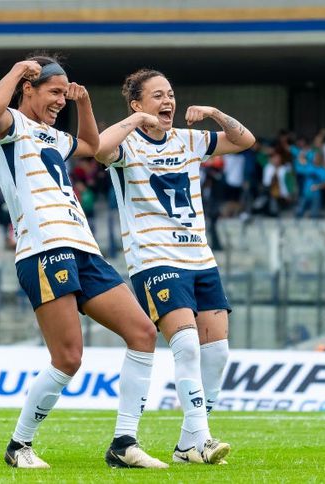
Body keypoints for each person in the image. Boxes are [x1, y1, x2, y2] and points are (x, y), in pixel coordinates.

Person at [0, 55, 165, 470]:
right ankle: (19, 445)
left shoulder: (53, 136)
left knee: (142, 333)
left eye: (63, 94)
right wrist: (18, 68)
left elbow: (93, 146)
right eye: (54, 92)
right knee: (68, 358)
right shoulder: (12, 125)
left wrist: (84, 103)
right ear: (28, 89)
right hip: (45, 249)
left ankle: (124, 443)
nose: (59, 101)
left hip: (84, 248)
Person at [96, 69, 255, 465]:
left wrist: (214, 113)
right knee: (185, 345)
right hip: (154, 259)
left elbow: (245, 140)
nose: (168, 101)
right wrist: (134, 121)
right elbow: (99, 149)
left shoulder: (188, 140)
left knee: (217, 353)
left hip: (200, 258)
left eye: (170, 94)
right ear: (137, 104)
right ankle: (203, 438)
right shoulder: (127, 144)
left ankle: (186, 446)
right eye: (157, 96)